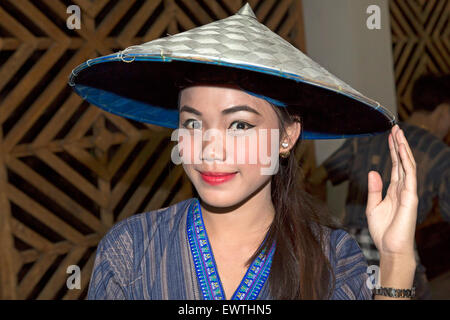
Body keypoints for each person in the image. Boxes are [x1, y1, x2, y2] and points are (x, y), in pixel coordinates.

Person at [69, 3, 418, 300]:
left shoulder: (334, 258)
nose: (210, 150)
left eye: (239, 125)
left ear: (287, 135)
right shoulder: (131, 251)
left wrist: (396, 258)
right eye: (192, 124)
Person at [308, 73, 450, 299]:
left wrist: (326, 220)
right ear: (443, 111)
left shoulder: (368, 136)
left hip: (348, 253)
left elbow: (316, 176)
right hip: (396, 252)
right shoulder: (438, 153)